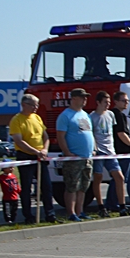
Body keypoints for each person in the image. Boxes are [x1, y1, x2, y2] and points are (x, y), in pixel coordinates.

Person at [10, 93, 55, 223]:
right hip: (26, 156)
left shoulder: (37, 118)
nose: (36, 108)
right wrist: (35, 152)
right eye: (33, 105)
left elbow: (45, 136)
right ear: (24, 104)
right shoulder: (17, 120)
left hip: (41, 156)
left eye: (37, 105)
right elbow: (19, 141)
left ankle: (50, 214)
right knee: (26, 187)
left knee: (46, 186)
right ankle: (28, 216)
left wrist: (44, 149)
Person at [55, 88, 96, 220]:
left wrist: (93, 148)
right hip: (74, 157)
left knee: (83, 186)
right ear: (73, 98)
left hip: (87, 157)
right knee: (72, 186)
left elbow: (90, 133)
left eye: (86, 97)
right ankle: (71, 213)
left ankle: (80, 211)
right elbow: (61, 136)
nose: (85, 100)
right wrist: (67, 152)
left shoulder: (85, 115)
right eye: (82, 97)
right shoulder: (65, 115)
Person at [106, 90, 130, 216]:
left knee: (118, 178)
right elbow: (121, 133)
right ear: (116, 101)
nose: (126, 103)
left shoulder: (115, 114)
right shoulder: (118, 115)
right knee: (119, 179)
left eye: (127, 101)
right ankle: (113, 203)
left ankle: (113, 202)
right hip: (122, 151)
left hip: (117, 150)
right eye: (124, 101)